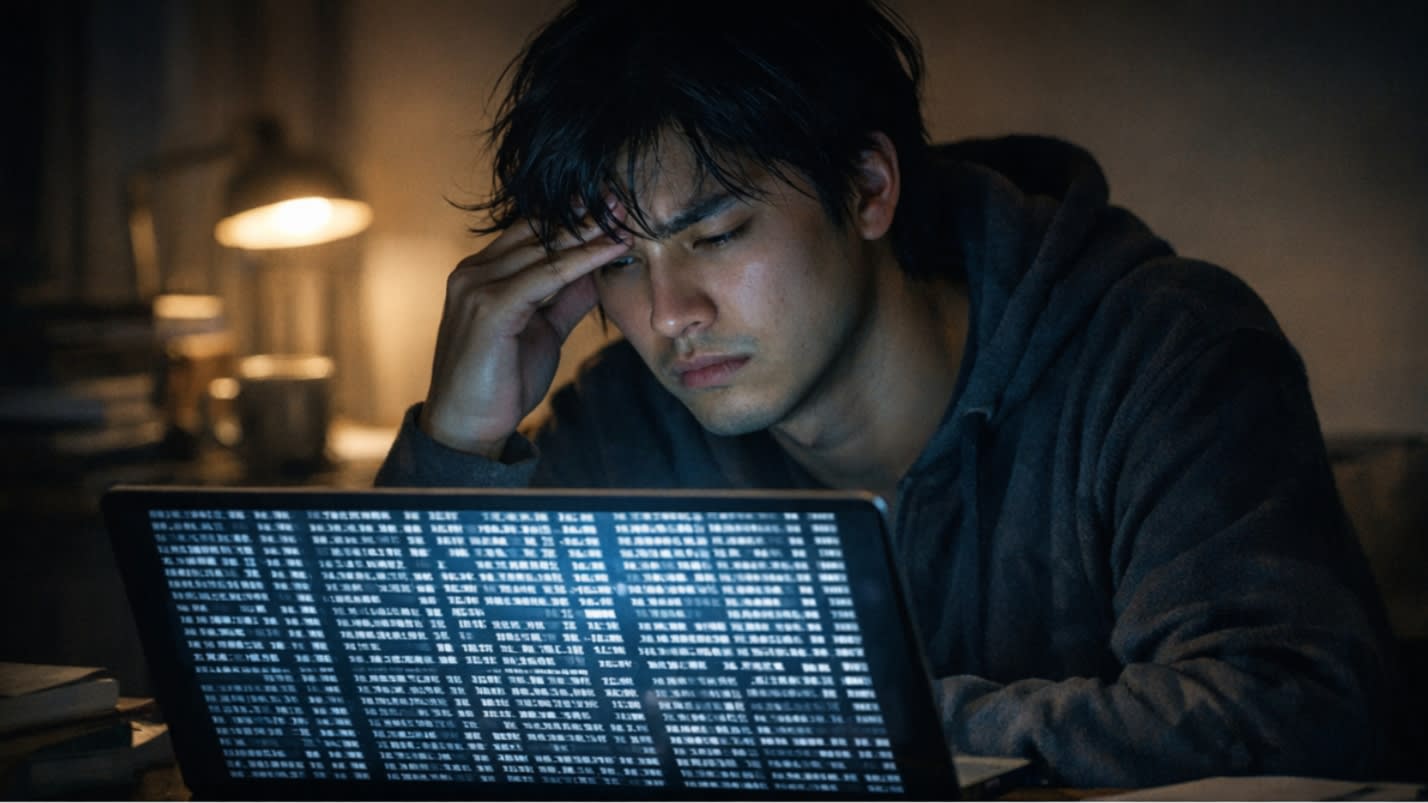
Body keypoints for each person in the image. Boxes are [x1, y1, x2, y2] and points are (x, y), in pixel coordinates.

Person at [376, 0, 1394, 787]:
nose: (669, 312)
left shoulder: (1161, 351)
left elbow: (1295, 710)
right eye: (619, 263)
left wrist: (840, 718)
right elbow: (403, 721)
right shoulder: (630, 419)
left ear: (868, 188)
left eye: (715, 234)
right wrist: (460, 440)